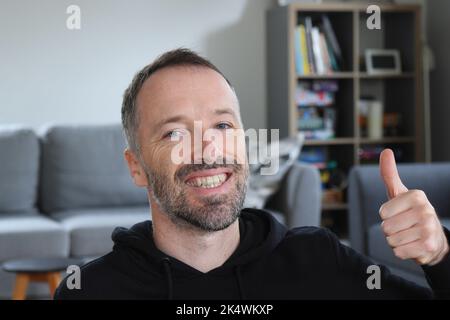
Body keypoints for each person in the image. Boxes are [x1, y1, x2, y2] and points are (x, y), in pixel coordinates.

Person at [55, 48, 450, 299]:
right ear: (136, 167)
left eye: (223, 126)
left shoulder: (318, 262)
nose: (207, 148)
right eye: (174, 133)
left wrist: (441, 255)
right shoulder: (93, 291)